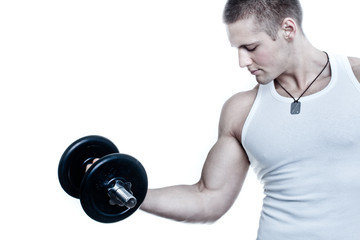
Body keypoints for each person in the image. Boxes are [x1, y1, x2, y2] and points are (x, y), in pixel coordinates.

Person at [140, 0, 360, 239]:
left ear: (288, 29)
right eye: (238, 49)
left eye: (251, 47)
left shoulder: (355, 80)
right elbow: (208, 198)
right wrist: (128, 192)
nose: (242, 61)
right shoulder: (241, 110)